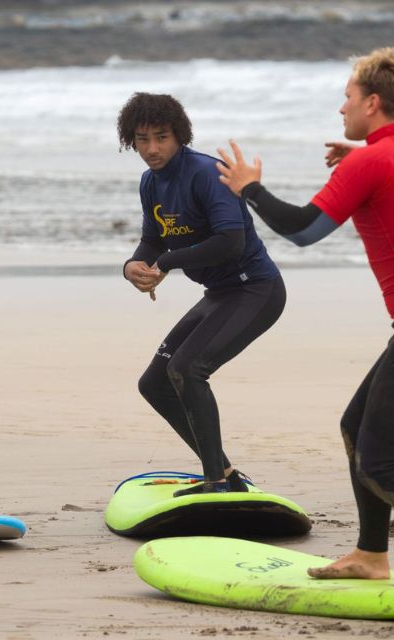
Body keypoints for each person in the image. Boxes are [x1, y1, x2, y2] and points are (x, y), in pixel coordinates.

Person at [217, 47, 394, 585]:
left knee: (379, 461)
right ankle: (371, 555)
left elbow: (303, 230)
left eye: (346, 97)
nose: (339, 106)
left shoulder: (372, 161)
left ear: (372, 102)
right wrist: (364, 158)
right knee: (356, 429)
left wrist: (248, 187)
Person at [118, 92, 286, 495]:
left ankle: (215, 482)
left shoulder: (207, 174)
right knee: (155, 383)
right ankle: (225, 475)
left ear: (180, 135)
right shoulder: (151, 182)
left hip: (255, 288)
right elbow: (152, 242)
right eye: (142, 139)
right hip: (220, 293)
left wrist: (170, 261)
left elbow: (230, 241)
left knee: (188, 369)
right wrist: (131, 267)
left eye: (161, 137)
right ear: (131, 140)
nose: (152, 148)